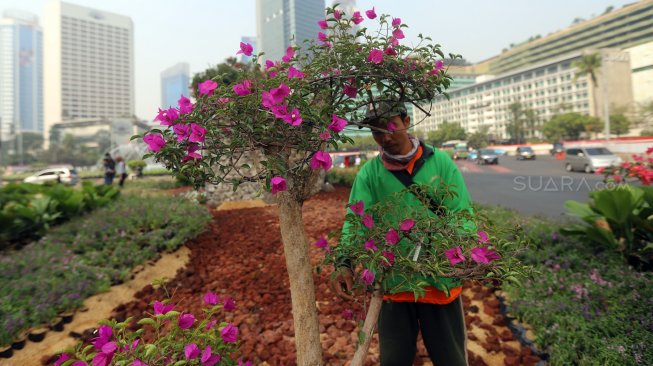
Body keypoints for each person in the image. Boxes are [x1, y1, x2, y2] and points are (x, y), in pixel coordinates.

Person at [333, 101, 473, 366]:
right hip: (394, 285)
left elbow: (461, 213)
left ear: (406, 122)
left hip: (439, 283)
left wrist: (462, 252)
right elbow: (356, 221)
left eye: (390, 127)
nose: (384, 137)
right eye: (376, 132)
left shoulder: (440, 163)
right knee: (394, 360)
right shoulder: (370, 175)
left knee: (451, 359)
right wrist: (344, 262)